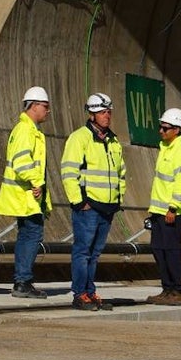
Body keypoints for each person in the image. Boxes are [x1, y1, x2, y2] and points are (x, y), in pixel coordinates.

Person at [61, 92, 125, 311]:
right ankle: (80, 294)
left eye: (108, 112)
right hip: (88, 207)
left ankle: (90, 291)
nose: (107, 116)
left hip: (107, 207)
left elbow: (121, 173)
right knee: (83, 251)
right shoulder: (80, 138)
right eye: (102, 112)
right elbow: (69, 171)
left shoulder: (113, 140)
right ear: (92, 114)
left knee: (95, 254)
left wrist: (118, 199)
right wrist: (79, 202)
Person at [0, 86, 53, 299]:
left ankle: (22, 280)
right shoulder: (25, 131)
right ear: (34, 106)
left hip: (28, 195)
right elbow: (22, 162)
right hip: (27, 195)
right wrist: (37, 182)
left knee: (27, 236)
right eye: (45, 107)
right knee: (31, 236)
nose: (48, 111)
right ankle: (23, 281)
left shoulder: (30, 130)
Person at [145, 107, 181, 306]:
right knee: (158, 248)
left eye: (165, 128)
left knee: (171, 250)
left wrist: (173, 208)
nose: (161, 131)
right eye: (161, 127)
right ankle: (167, 288)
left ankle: (177, 291)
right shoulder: (165, 148)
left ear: (177, 130)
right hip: (158, 210)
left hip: (171, 211)